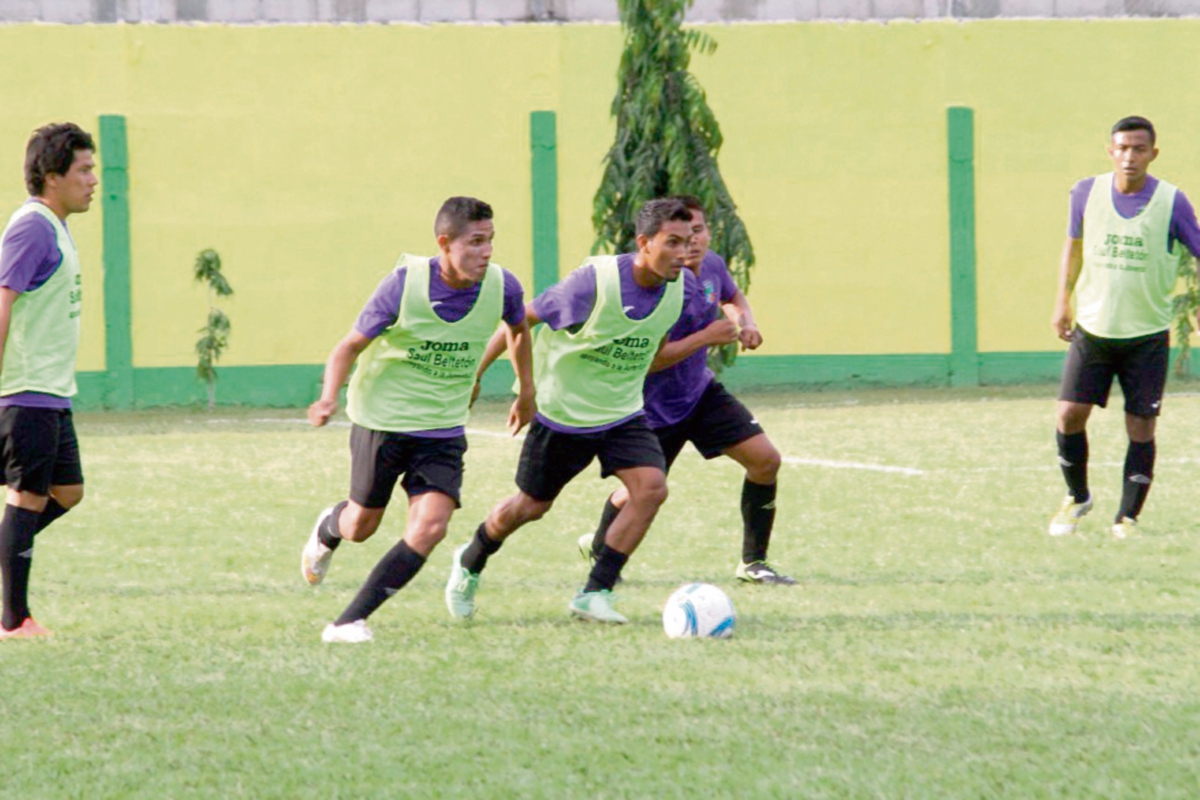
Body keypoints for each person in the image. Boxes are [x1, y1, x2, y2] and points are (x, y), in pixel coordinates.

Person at [444, 198, 696, 624]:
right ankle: (471, 558)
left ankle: (595, 592)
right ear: (644, 243)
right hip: (563, 414)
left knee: (651, 488)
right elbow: (518, 319)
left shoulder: (681, 289)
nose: (683, 252)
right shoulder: (592, 284)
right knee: (530, 507)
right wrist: (478, 375)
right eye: (672, 242)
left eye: (688, 242)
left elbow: (651, 355)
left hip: (622, 414)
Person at [302, 196, 533, 644]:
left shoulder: (502, 286)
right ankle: (329, 526)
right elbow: (347, 347)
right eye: (475, 242)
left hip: (443, 428)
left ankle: (348, 621)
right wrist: (328, 397)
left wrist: (527, 390)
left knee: (430, 527)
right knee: (360, 526)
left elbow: (518, 329)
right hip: (383, 422)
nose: (486, 252)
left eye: (491, 241)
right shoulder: (402, 286)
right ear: (444, 243)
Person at [579, 196, 793, 584]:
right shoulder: (656, 286)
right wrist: (708, 337)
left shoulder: (711, 266)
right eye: (681, 236)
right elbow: (653, 360)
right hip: (651, 407)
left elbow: (731, 295)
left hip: (699, 393)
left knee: (765, 460)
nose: (692, 242)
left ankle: (754, 562)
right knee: (640, 492)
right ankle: (600, 547)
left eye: (698, 231)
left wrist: (744, 321)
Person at [1049, 116, 1200, 539]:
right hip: (1093, 330)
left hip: (1146, 335)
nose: (1130, 156)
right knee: (1068, 414)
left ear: (1153, 153)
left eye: (1138, 148)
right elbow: (1074, 247)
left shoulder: (1172, 202)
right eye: (1122, 148)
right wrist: (1063, 299)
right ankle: (1077, 497)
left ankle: (1127, 518)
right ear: (1110, 151)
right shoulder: (1085, 193)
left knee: (1141, 426)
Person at [0, 123, 96, 640]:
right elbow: (3, 300)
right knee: (26, 499)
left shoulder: (55, 226)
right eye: (83, 170)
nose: (93, 180)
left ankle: (6, 554)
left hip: (52, 393)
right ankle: (14, 621)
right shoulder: (32, 227)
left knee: (69, 490)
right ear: (52, 176)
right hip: (25, 391)